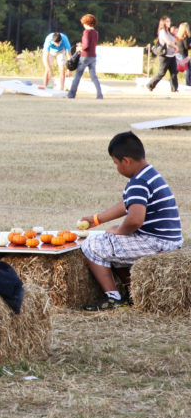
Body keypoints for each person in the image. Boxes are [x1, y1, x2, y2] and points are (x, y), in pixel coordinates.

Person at [78, 131, 183, 312]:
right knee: (114, 247)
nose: (117, 167)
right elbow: (128, 204)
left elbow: (135, 220)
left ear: (126, 161)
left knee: (92, 244)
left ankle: (113, 298)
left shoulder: (138, 182)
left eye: (116, 163)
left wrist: (118, 230)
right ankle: (135, 292)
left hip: (156, 242)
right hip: (170, 240)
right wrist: (98, 219)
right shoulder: (150, 174)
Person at [67, 14, 103, 99]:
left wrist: (80, 47)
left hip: (85, 56)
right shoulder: (95, 32)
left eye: (83, 23)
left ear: (86, 23)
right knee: (94, 77)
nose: (83, 25)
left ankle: (71, 94)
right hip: (93, 56)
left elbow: (86, 45)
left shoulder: (86, 32)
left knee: (77, 76)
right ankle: (99, 95)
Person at [146, 16, 178, 92]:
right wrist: (176, 48)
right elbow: (168, 42)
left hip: (172, 55)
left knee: (174, 72)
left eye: (169, 21)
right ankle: (150, 85)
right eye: (167, 21)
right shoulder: (162, 31)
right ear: (163, 23)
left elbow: (174, 40)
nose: (169, 23)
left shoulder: (168, 31)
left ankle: (174, 89)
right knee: (162, 73)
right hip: (165, 56)